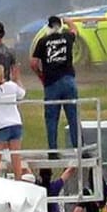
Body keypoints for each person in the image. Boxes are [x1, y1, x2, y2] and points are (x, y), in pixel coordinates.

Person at [30, 16, 80, 153]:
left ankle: (52, 150)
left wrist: (42, 76)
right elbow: (75, 30)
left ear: (48, 27)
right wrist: (68, 20)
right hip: (68, 80)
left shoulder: (42, 41)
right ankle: (77, 148)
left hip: (51, 83)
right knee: (73, 116)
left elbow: (33, 63)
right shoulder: (67, 37)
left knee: (51, 119)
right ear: (60, 26)